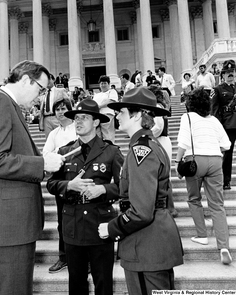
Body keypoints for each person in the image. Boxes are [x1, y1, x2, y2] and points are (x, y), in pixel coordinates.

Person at [0, 60, 65, 295]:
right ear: (27, 80)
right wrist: (40, 163)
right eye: (41, 89)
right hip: (7, 223)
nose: (41, 98)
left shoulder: (6, 103)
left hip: (10, 221)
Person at [98, 87, 183, 294]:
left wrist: (111, 228)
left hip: (146, 245)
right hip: (151, 241)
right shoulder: (149, 145)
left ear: (136, 115)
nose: (116, 115)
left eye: (122, 111)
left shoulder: (140, 150)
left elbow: (141, 212)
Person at [47, 99, 124, 295]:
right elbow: (51, 184)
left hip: (100, 225)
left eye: (84, 118)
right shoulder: (65, 152)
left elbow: (125, 187)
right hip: (73, 224)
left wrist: (104, 190)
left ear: (96, 122)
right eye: (76, 118)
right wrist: (68, 185)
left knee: (103, 282)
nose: (78, 122)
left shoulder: (111, 152)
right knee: (76, 284)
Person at [175, 87, 232, 265]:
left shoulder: (188, 117)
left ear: (190, 104)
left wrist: (177, 163)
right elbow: (227, 144)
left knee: (194, 199)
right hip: (215, 160)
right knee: (217, 205)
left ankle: (202, 235)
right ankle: (223, 246)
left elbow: (183, 142)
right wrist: (212, 149)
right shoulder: (214, 120)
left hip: (194, 161)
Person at [42, 97, 78, 274]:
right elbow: (46, 153)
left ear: (70, 110)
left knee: (80, 220)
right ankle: (63, 257)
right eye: (57, 109)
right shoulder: (53, 133)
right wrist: (61, 153)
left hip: (78, 178)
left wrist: (59, 153)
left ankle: (83, 259)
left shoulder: (78, 129)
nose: (60, 112)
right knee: (62, 221)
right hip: (60, 180)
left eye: (64, 108)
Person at [148, 85, 178, 218]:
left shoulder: (157, 107)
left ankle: (170, 208)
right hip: (160, 140)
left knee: (164, 176)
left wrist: (145, 133)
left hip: (160, 140)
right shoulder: (157, 106)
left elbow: (158, 127)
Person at [211, 59, 236, 190]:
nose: (230, 74)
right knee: (227, 153)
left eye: (232, 72)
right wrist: (218, 127)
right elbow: (214, 110)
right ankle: (225, 181)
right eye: (228, 72)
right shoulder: (218, 90)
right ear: (223, 75)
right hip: (228, 125)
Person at [93, 75, 118, 143]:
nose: (103, 85)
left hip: (107, 115)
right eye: (101, 83)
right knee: (97, 136)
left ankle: (110, 151)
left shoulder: (112, 92)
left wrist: (99, 106)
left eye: (105, 83)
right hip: (97, 117)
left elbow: (111, 101)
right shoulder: (96, 95)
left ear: (108, 84)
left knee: (108, 135)